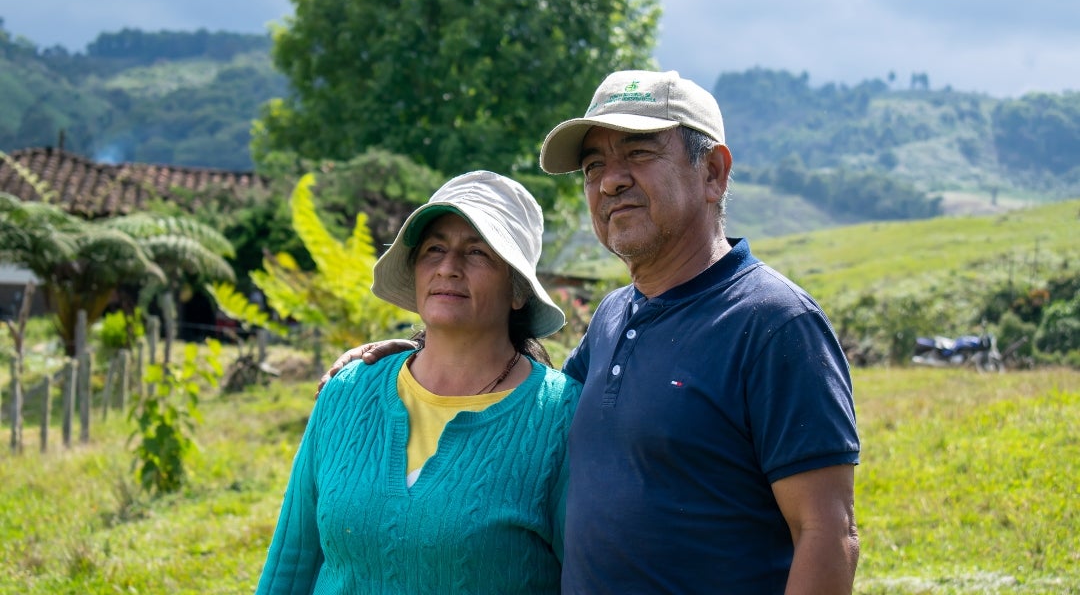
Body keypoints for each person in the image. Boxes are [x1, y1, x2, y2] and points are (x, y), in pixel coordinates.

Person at [325, 70, 861, 594]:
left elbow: (828, 534)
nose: (610, 180)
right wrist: (419, 355)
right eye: (593, 165)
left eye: (640, 153)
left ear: (713, 173)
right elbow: (527, 389)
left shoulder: (773, 325)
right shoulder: (614, 316)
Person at [256, 170, 581, 594]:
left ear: (518, 290)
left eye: (478, 252)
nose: (448, 267)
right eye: (434, 249)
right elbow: (292, 562)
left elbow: (585, 578)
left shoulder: (560, 418)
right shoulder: (348, 392)